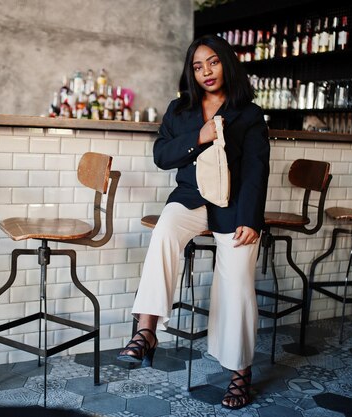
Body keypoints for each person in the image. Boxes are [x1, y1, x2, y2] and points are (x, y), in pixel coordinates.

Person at [116, 34, 270, 410]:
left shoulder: (248, 114)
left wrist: (251, 219)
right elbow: (162, 156)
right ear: (191, 72)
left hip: (234, 206)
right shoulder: (180, 109)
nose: (206, 72)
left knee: (237, 281)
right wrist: (198, 137)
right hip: (189, 199)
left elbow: (255, 170)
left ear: (227, 63)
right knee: (166, 230)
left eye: (213, 62)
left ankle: (240, 372)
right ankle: (146, 331)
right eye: (198, 66)